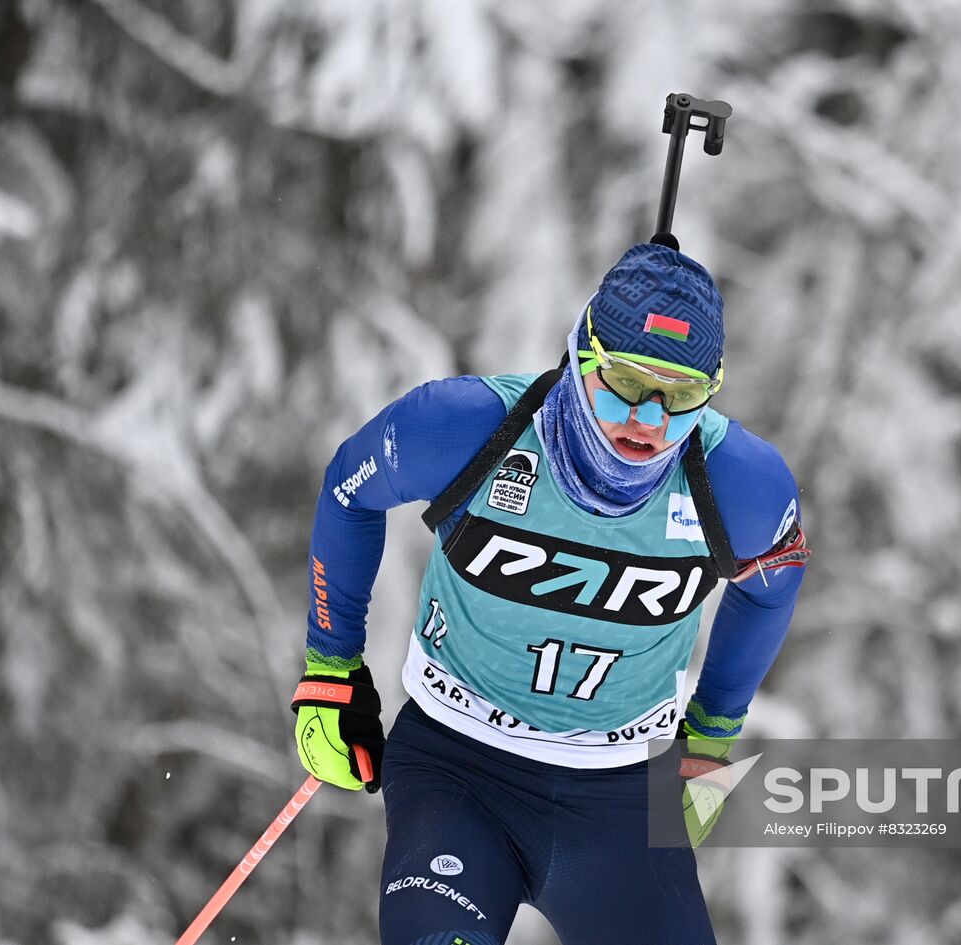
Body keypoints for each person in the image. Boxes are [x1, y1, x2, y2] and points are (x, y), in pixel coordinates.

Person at [290, 242, 808, 945]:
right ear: (581, 354)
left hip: (619, 795)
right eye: (625, 382)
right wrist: (331, 666)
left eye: (680, 395)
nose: (649, 421)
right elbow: (351, 489)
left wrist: (714, 733)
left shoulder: (741, 484)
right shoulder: (468, 427)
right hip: (456, 763)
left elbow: (773, 588)